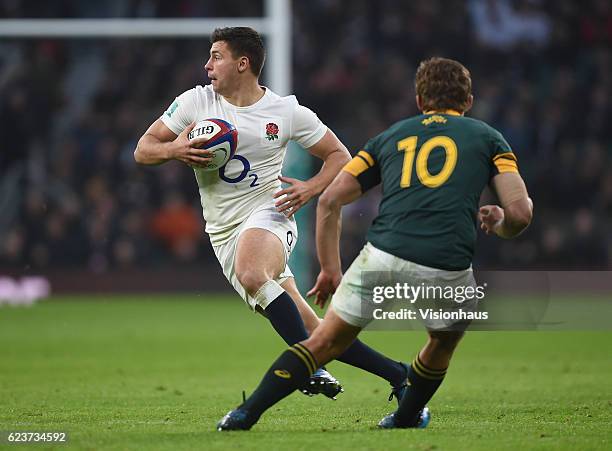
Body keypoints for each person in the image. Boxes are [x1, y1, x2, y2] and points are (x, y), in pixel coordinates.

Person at [217, 57, 533, 430]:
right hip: (447, 262)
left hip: (382, 254)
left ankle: (244, 414)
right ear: (468, 101)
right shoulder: (488, 138)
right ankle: (406, 416)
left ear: (419, 100)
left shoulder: (391, 137)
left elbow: (332, 200)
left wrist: (330, 268)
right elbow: (520, 213)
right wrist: (501, 223)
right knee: (441, 344)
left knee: (324, 342)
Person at [134, 27, 411, 400]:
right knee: (316, 329)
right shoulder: (195, 104)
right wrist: (174, 150)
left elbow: (340, 156)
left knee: (253, 272)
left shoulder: (285, 111)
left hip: (271, 212)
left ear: (242, 63)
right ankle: (398, 374)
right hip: (223, 232)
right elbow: (143, 149)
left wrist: (310, 189)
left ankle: (307, 367)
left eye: (216, 56)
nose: (207, 65)